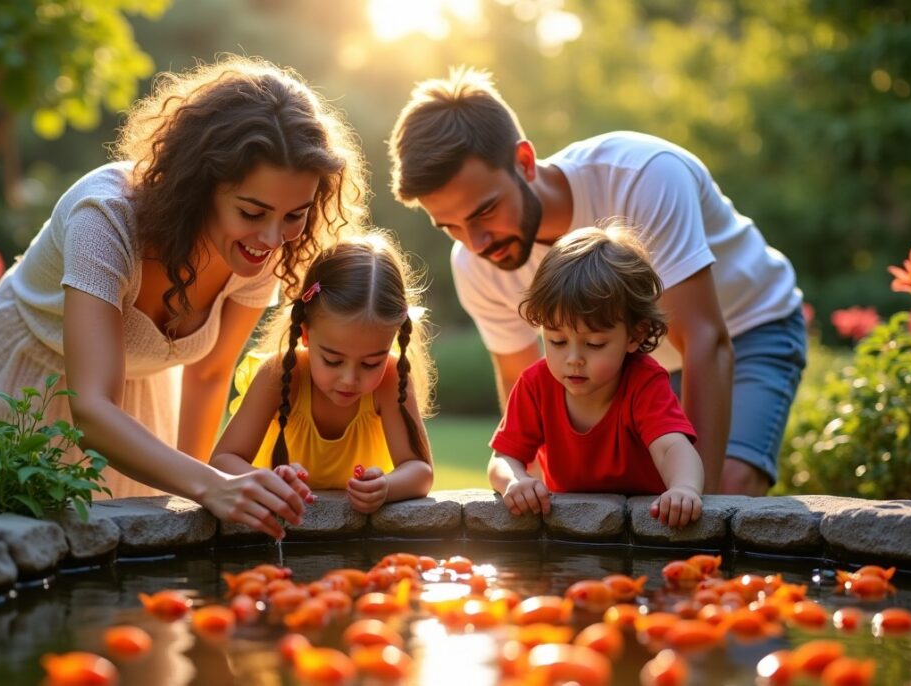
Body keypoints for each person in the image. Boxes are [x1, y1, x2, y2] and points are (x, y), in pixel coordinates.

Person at [0, 57, 369, 538]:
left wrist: (207, 493)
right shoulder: (105, 217)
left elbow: (209, 373)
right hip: (37, 363)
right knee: (39, 531)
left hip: (144, 380)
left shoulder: (261, 248)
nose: (271, 236)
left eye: (294, 214)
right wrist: (211, 485)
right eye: (252, 210)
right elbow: (93, 409)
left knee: (142, 529)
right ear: (200, 187)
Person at [388, 68, 806, 496]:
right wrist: (531, 493)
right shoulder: (476, 264)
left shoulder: (644, 176)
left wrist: (703, 508)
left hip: (746, 327)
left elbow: (704, 339)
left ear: (525, 162)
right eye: (451, 227)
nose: (475, 243)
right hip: (617, 365)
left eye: (484, 212)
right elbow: (523, 386)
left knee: (726, 489)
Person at [488, 225, 704, 527]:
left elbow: (672, 447)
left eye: (594, 343)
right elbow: (503, 459)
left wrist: (684, 488)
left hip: (647, 529)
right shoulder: (535, 385)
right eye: (557, 341)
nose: (574, 359)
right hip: (568, 530)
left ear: (634, 335)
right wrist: (515, 481)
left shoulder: (643, 381)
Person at [211, 232, 435, 514]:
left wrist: (386, 487)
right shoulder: (281, 375)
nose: (350, 379)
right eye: (332, 360)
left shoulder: (391, 380)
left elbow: (420, 471)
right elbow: (222, 460)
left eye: (370, 363)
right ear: (305, 334)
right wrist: (268, 482)